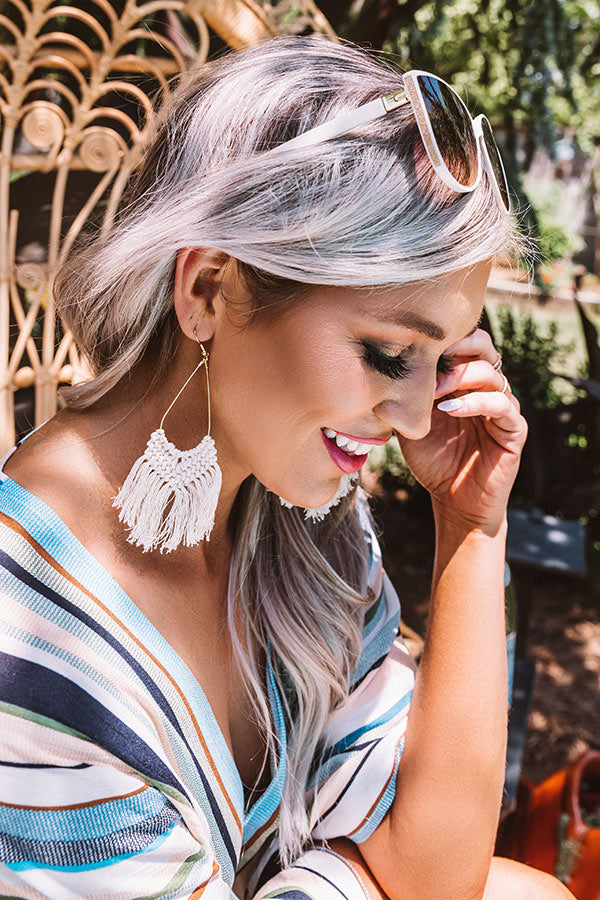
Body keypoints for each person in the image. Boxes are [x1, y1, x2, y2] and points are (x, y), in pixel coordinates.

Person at [0, 36, 574, 900]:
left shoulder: (306, 526)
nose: (420, 418)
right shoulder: (29, 638)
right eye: (390, 354)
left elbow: (434, 869)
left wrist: (470, 524)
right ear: (209, 289)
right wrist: (350, 869)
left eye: (445, 361)